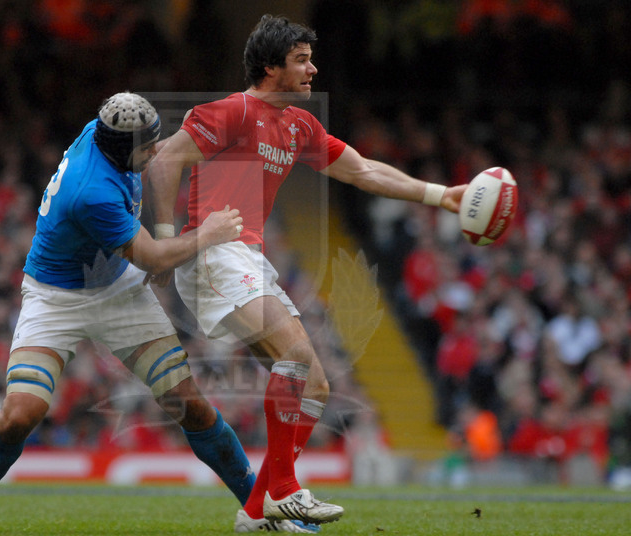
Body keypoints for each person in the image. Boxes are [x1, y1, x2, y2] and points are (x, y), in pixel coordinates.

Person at [147, 15, 467, 529]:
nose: (313, 69)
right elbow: (165, 159)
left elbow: (363, 170)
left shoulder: (300, 125)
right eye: (301, 59)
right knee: (295, 356)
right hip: (215, 252)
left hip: (248, 258)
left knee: (314, 383)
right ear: (271, 67)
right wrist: (165, 239)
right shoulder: (232, 110)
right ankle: (284, 490)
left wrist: (438, 195)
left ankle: (257, 512)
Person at [0, 92, 289, 533]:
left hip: (116, 287)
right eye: (148, 146)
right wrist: (208, 234)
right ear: (123, 150)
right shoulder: (92, 191)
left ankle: (258, 510)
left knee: (189, 404)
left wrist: (159, 237)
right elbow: (154, 260)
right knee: (20, 414)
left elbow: (150, 243)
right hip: (56, 297)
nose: (156, 151)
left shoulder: (106, 134)